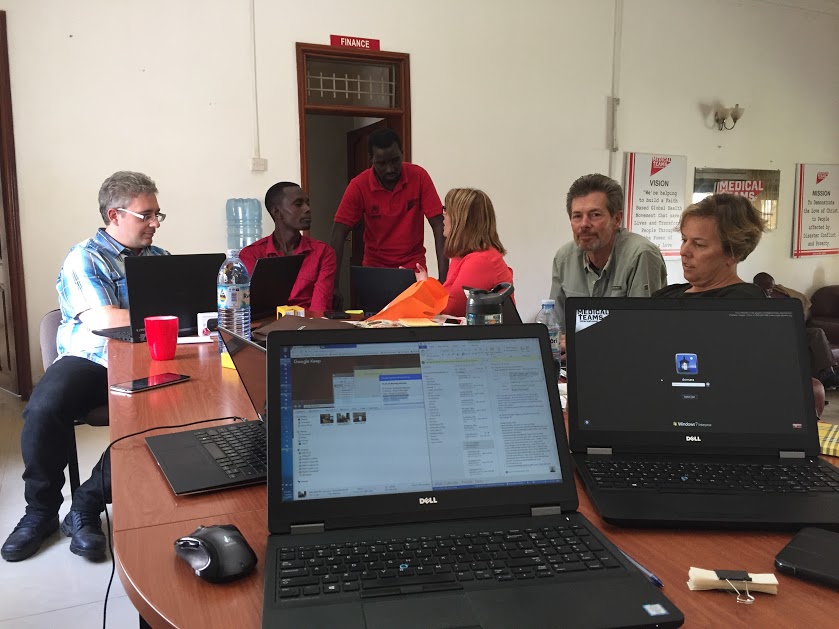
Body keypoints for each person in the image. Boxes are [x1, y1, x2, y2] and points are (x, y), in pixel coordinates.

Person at [1, 171, 169, 563]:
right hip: (90, 360)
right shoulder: (85, 257)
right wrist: (167, 314)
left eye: (158, 214)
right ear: (115, 214)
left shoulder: (161, 260)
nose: (155, 223)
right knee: (43, 409)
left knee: (168, 415)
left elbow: (186, 312)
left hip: (148, 359)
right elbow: (104, 319)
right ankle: (40, 512)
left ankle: (86, 505)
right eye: (146, 215)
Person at [330, 128, 446, 307]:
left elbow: (439, 225)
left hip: (413, 268)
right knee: (376, 324)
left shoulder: (419, 176)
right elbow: (338, 233)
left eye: (395, 160)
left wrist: (444, 278)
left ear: (402, 154)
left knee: (413, 325)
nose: (390, 169)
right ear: (371, 160)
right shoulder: (359, 186)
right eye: (382, 163)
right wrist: (333, 285)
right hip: (375, 269)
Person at [550, 173, 667, 330]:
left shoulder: (641, 255)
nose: (584, 224)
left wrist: (578, 342)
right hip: (574, 352)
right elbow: (554, 324)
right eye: (577, 216)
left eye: (595, 215)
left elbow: (643, 328)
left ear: (617, 219)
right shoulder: (564, 258)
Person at [414, 188, 513, 317]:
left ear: (461, 219)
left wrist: (423, 287)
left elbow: (452, 310)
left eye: (446, 209)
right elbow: (447, 302)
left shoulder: (481, 260)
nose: (443, 214)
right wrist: (424, 283)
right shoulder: (462, 256)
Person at [239, 182, 336, 312]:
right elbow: (252, 308)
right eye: (298, 204)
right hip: (266, 329)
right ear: (277, 212)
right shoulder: (251, 255)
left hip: (309, 327)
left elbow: (320, 308)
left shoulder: (323, 252)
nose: (307, 209)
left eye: (307, 203)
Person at [653, 194, 766, 298]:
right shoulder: (666, 293)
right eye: (684, 240)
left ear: (733, 254)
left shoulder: (743, 301)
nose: (684, 251)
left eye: (699, 244)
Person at [753, 272, 839, 389]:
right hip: (773, 336)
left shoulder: (773, 299)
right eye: (768, 289)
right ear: (758, 286)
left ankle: (829, 372)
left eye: (772, 288)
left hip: (789, 330)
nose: (771, 292)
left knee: (817, 332)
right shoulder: (751, 300)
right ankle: (826, 378)